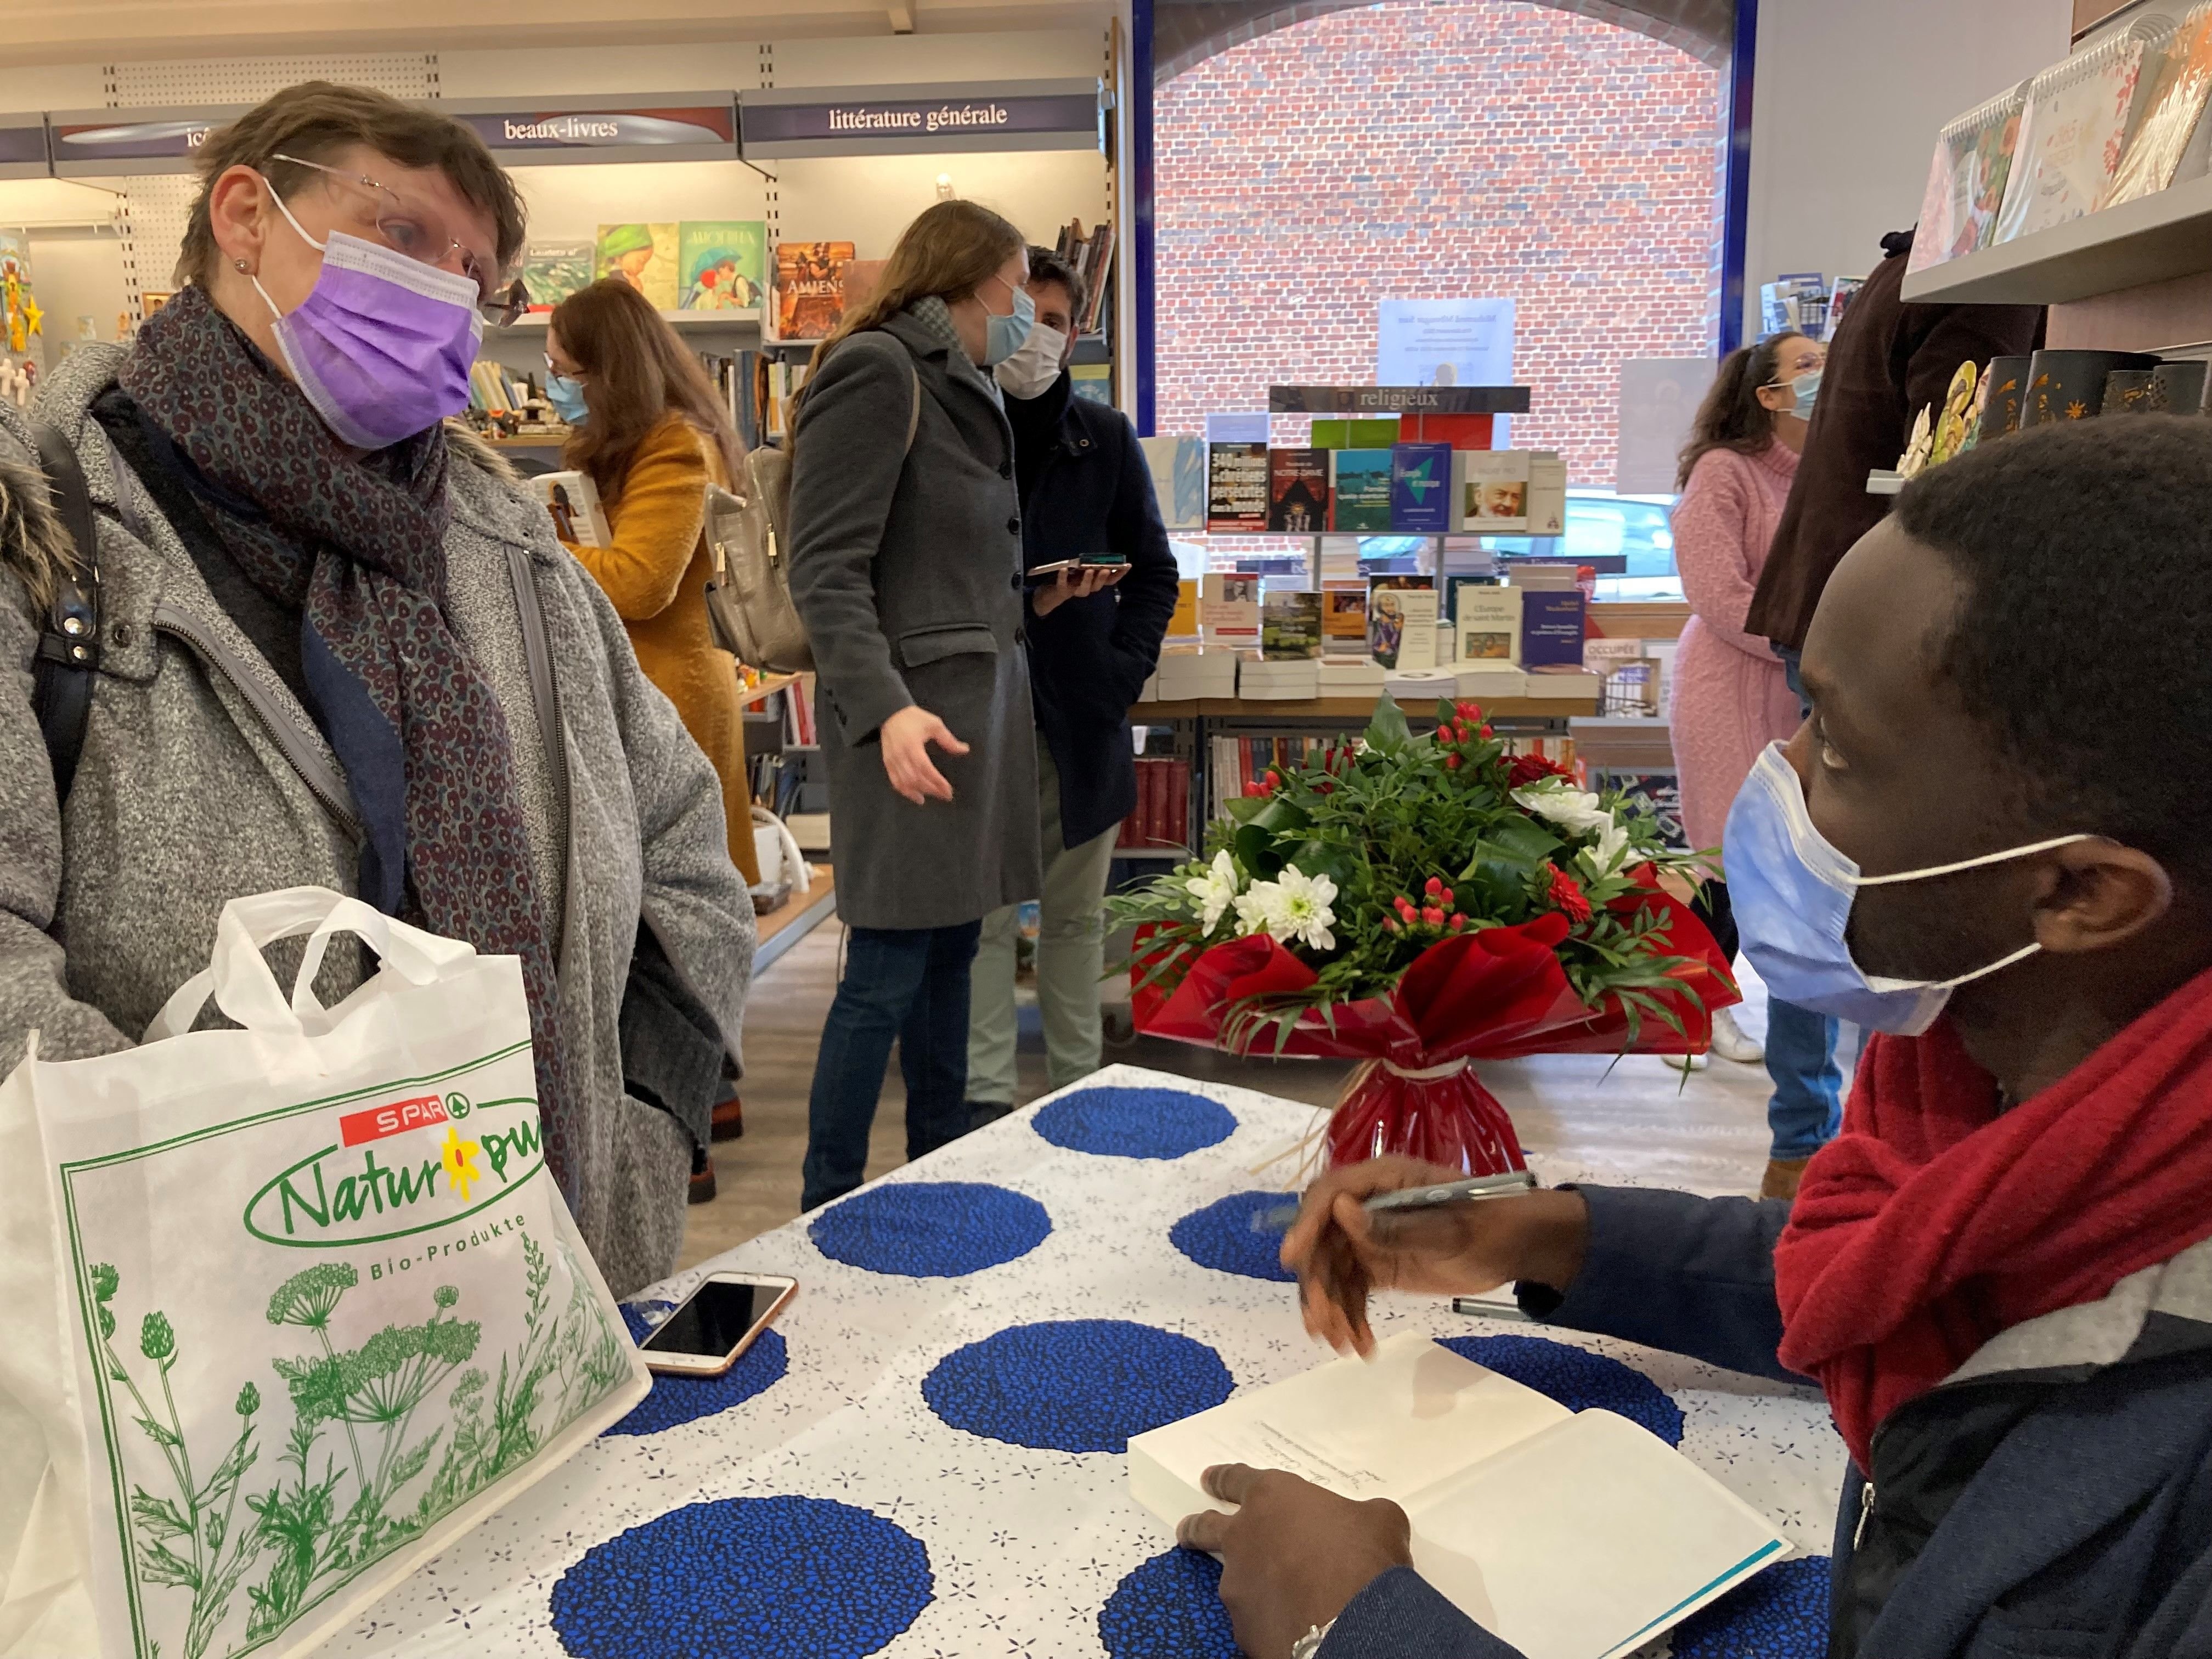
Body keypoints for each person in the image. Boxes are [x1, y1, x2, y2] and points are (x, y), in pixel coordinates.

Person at [1182, 415, 2212, 1657]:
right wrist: (1545, 1230)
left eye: (1832, 739)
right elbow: (1895, 1268)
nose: (1777, 774)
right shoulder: (1987, 1080)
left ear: (2078, 894)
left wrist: (1357, 1622)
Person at [0, 82, 753, 1299]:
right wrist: (238, 1244)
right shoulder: (43, 530)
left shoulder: (506, 546)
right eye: (404, 235)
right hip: (210, 1371)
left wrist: (646, 1132)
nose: (444, 298)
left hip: (553, 1296)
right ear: (247, 213)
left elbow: (683, 855)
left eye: (475, 275)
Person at [785, 200, 1042, 1211]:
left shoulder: (963, 377)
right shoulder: (880, 368)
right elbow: (826, 566)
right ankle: (825, 1199)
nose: (1027, 303)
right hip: (906, 725)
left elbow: (934, 553)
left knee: (946, 953)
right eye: (1019, 280)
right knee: (886, 967)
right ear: (973, 276)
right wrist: (884, 706)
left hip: (961, 718)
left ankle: (938, 1173)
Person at [545, 276, 761, 1198]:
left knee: (667, 919)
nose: (558, 390)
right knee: (657, 919)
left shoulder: (675, 442)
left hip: (669, 699)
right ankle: (707, 1105)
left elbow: (637, 581)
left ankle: (685, 1138)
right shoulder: (644, 441)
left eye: (567, 374)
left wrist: (536, 540)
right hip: (644, 695)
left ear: (609, 368)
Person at [964, 246, 1178, 1126]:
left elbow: (1156, 574)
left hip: (1081, 720)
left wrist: (1120, 674)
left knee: (1075, 925)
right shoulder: (957, 429)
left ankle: (1077, 1102)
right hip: (978, 717)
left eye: (1054, 322)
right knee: (979, 925)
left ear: (1078, 333)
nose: (1037, 336)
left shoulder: (1106, 437)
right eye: (1023, 315)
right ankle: (979, 1110)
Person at [1669, 330, 1841, 1198]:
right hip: (1734, 690)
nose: (1825, 373)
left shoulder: (1839, 465)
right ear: (1767, 395)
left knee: (1803, 881)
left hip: (1818, 688)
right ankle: (1699, 1010)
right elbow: (1719, 591)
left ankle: (1785, 1089)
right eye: (1807, 365)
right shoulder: (1725, 472)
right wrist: (1803, 648)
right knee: (1738, 867)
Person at [1745, 226, 2043, 689]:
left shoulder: (1914, 267)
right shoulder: (1987, 284)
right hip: (1882, 616)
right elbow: (1955, 466)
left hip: (1837, 596)